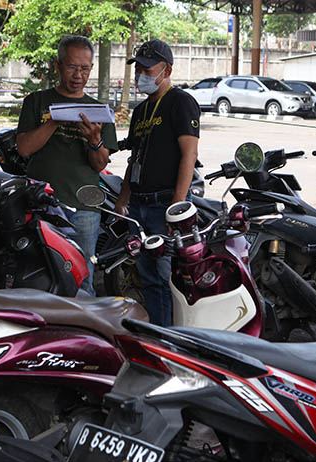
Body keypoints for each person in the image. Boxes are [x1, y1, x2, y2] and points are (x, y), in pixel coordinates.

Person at [16, 35, 118, 295]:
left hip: (84, 206)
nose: (78, 75)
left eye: (84, 69)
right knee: (40, 274)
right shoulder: (37, 102)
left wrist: (95, 140)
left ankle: (85, 333)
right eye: (72, 67)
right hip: (42, 204)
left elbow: (99, 165)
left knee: (82, 277)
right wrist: (55, 120)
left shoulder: (99, 111)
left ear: (91, 69)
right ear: (57, 65)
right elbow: (24, 148)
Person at [114, 39, 200, 326]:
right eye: (139, 68)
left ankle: (168, 338)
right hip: (138, 205)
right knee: (147, 274)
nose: (142, 75)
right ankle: (156, 332)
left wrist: (177, 207)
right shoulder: (140, 112)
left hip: (163, 204)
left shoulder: (181, 102)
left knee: (164, 276)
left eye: (149, 70)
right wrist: (124, 198)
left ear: (168, 70)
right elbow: (134, 157)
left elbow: (190, 154)